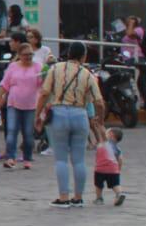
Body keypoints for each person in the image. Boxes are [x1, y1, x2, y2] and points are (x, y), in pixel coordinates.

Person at [38, 41, 101, 209]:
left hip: (58, 114)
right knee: (79, 160)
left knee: (61, 159)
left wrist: (38, 115)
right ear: (83, 56)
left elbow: (44, 93)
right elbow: (99, 101)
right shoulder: (88, 74)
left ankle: (63, 197)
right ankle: (78, 197)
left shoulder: (55, 69)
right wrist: (99, 119)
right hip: (80, 115)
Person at [0, 42, 43, 169]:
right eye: (25, 55)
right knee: (11, 131)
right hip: (14, 104)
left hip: (31, 106)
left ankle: (27, 158)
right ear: (19, 55)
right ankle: (11, 158)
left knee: (28, 134)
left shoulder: (38, 67)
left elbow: (43, 86)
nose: (28, 57)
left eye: (30, 54)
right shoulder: (13, 67)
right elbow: (4, 85)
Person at [94, 127, 126, 205]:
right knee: (115, 184)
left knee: (98, 185)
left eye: (107, 133)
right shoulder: (118, 148)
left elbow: (101, 133)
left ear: (111, 135)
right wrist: (118, 170)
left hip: (100, 169)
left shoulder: (104, 143)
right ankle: (119, 193)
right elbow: (120, 159)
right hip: (113, 170)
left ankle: (99, 198)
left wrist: (97, 126)